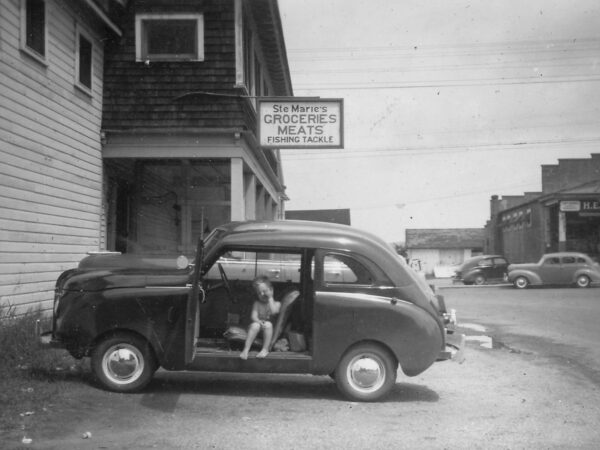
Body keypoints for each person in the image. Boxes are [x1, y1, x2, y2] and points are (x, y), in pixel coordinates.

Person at [239, 276, 281, 359]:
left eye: (264, 291)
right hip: (256, 330)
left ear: (271, 290)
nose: (262, 294)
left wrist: (270, 297)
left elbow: (274, 312)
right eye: (259, 293)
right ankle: (246, 350)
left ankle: (265, 349)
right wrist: (259, 321)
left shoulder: (277, 304)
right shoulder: (257, 304)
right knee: (255, 325)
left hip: (268, 331)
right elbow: (253, 317)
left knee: (268, 324)